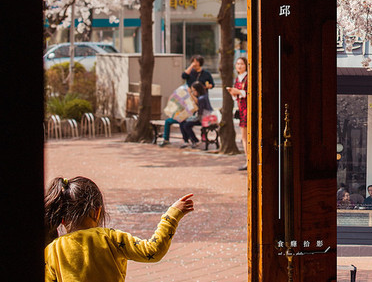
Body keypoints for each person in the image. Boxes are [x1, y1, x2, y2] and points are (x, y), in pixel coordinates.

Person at [44, 176, 194, 282]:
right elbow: (153, 251)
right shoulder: (110, 238)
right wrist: (172, 215)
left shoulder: (52, 250)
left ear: (62, 219)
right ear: (97, 212)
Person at [227, 57, 248, 170]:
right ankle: (247, 160)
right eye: (238, 64)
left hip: (248, 109)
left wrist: (238, 92)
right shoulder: (237, 79)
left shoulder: (247, 78)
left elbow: (249, 93)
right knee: (243, 137)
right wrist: (233, 93)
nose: (239, 66)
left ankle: (250, 160)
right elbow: (237, 97)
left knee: (247, 136)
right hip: (241, 109)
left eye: (242, 64)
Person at [180, 81, 213, 149]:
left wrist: (190, 94)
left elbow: (198, 105)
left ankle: (195, 140)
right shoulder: (204, 95)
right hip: (203, 117)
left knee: (186, 125)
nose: (193, 92)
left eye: (194, 91)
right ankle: (187, 140)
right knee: (183, 122)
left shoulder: (202, 98)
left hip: (204, 118)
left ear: (198, 90)